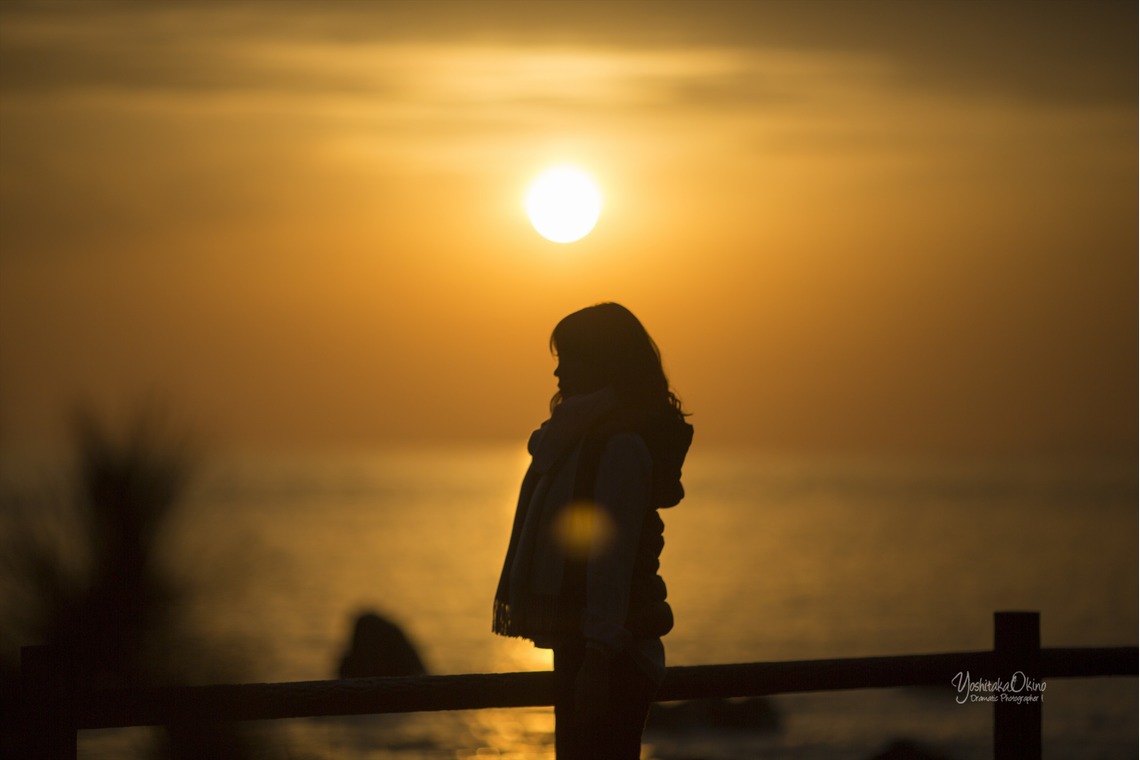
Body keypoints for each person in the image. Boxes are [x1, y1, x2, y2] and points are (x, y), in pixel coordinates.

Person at [492, 302, 694, 759]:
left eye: (570, 357)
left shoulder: (618, 446)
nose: (559, 371)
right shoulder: (576, 439)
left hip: (610, 656)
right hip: (585, 647)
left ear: (604, 362)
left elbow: (610, 558)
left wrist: (597, 662)